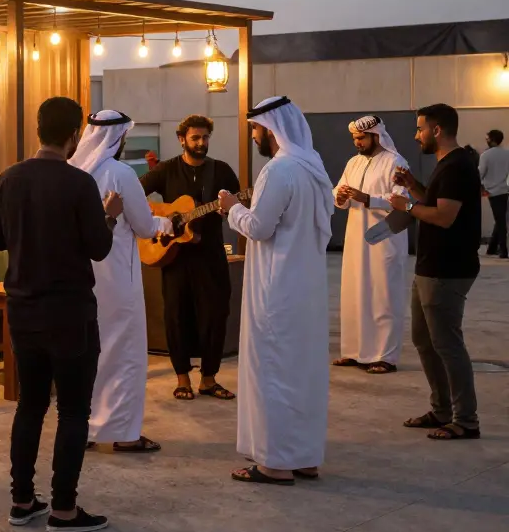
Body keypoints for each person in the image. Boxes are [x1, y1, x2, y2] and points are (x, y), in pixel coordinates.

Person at [0, 97, 120, 532]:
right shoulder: (78, 183)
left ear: (38, 130)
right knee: (73, 411)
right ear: (73, 137)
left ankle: (22, 501)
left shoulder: (9, 178)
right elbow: (98, 247)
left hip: (23, 309)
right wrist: (110, 216)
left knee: (30, 405)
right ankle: (65, 510)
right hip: (70, 312)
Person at [219, 96, 332, 485]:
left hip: (276, 290)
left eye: (255, 129)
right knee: (302, 372)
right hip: (308, 289)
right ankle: (304, 457)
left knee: (274, 370)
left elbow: (258, 228)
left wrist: (232, 207)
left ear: (270, 129)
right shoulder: (312, 166)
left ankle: (274, 464)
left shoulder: (279, 169)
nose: (253, 136)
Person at [68, 109, 172, 454]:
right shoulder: (122, 173)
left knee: (88, 355)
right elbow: (143, 226)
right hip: (118, 280)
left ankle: (86, 429)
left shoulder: (73, 172)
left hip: (81, 279)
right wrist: (164, 226)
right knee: (124, 354)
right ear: (118, 137)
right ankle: (125, 433)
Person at [391, 104, 483, 440]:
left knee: (446, 343)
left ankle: (466, 419)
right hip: (430, 266)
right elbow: (435, 201)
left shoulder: (458, 166)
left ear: (438, 130)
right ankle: (441, 409)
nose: (417, 135)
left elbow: (444, 217)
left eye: (420, 129)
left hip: (448, 269)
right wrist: (413, 185)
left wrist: (409, 206)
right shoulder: (447, 165)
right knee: (424, 340)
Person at [139, 114, 241, 401]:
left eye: (205, 137)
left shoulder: (220, 171)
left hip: (211, 254)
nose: (201, 142)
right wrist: (158, 218)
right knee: (177, 316)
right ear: (182, 139)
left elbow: (239, 203)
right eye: (195, 137)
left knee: (216, 315)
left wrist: (230, 209)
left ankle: (208, 379)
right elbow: (136, 194)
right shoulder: (166, 170)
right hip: (175, 256)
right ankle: (182, 378)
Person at [331, 115, 411, 374]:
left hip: (385, 238)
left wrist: (369, 199)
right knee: (355, 293)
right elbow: (337, 195)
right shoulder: (353, 163)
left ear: (376, 135)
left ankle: (385, 356)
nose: (357, 143)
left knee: (383, 295)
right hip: (355, 238)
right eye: (355, 138)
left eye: (361, 138)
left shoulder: (395, 162)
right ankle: (354, 352)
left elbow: (402, 201)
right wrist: (340, 196)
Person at [479, 129, 508, 259]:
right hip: (505, 190)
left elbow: (480, 173)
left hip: (492, 191)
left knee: (500, 220)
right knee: (500, 218)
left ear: (491, 139)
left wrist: (480, 187)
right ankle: (492, 248)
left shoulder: (486, 155)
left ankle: (503, 250)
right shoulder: (507, 153)